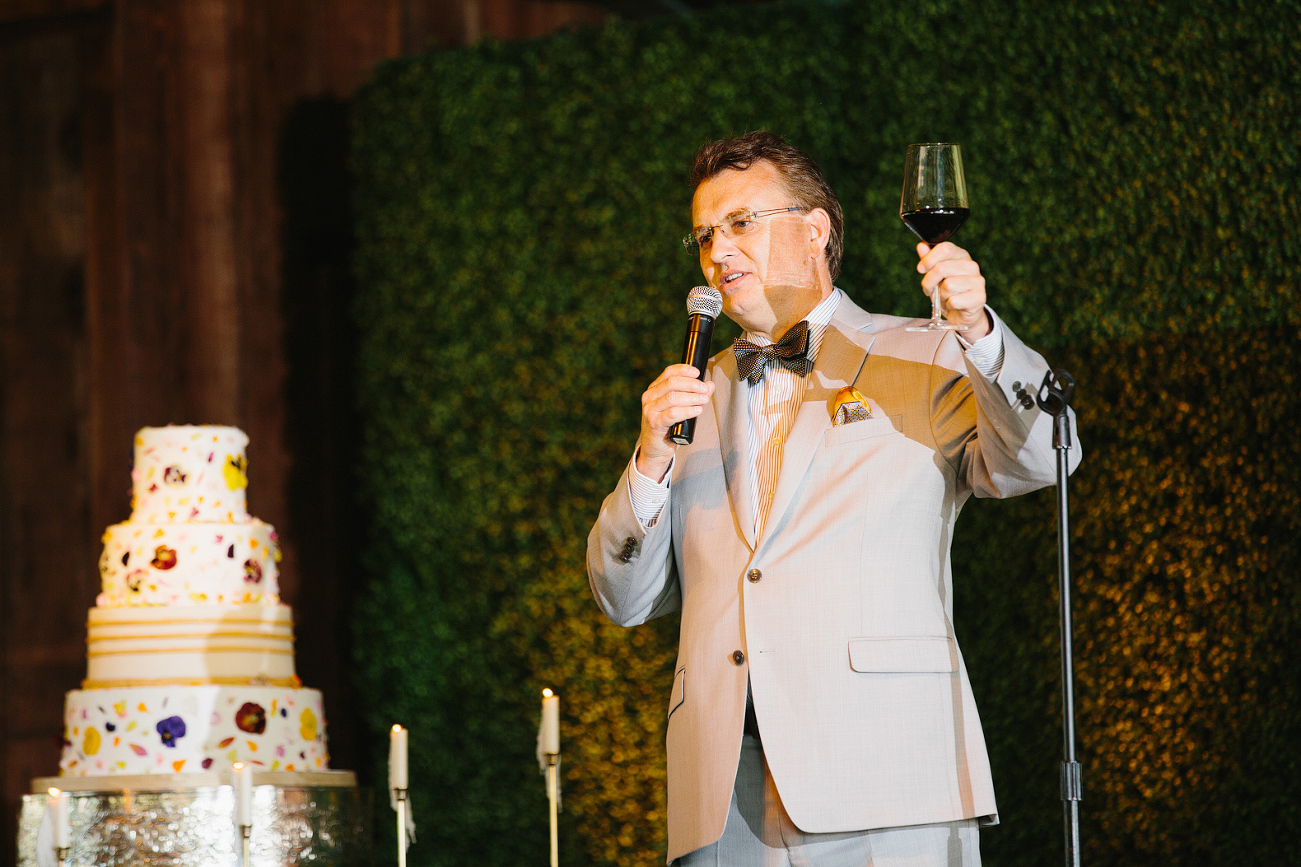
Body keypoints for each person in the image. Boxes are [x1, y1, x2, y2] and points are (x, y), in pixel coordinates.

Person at [586, 131, 1080, 867]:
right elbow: (622, 598)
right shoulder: (692, 397)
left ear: (814, 228)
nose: (717, 250)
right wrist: (650, 459)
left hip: (886, 773)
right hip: (725, 800)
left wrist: (977, 330)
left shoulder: (923, 351)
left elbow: (1045, 455)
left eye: (741, 223)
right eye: (704, 234)